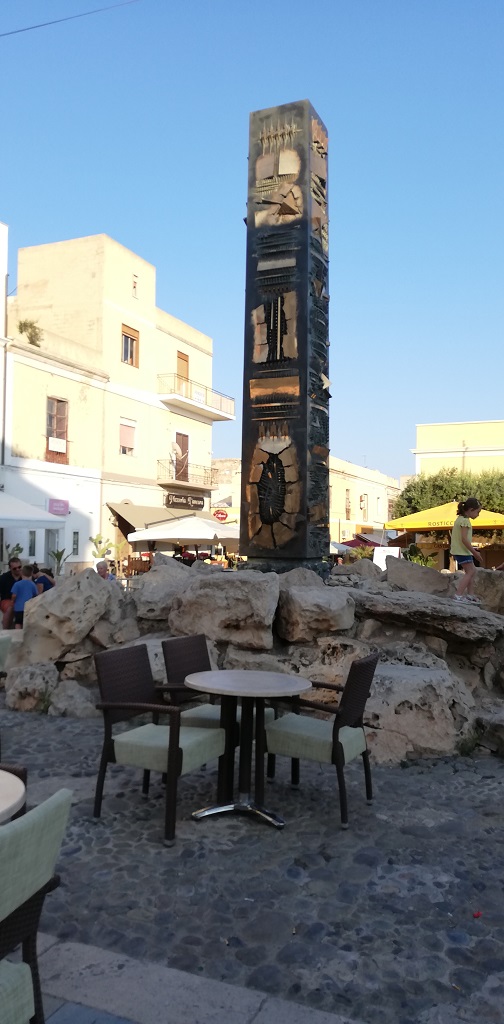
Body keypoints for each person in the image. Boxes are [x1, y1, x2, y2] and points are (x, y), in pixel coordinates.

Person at [450, 497, 483, 602]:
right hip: (462, 551)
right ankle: (458, 595)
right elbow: (464, 539)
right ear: (471, 510)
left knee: (472, 571)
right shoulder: (465, 521)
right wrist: (475, 552)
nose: (478, 515)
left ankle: (470, 594)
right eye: (478, 512)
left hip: (460, 550)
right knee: (470, 571)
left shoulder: (460, 519)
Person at [11, 564, 38, 628]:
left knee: (18, 622)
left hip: (18, 607)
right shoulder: (32, 584)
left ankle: (18, 633)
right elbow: (36, 595)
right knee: (26, 623)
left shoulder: (17, 584)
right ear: (31, 574)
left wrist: (12, 601)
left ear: (22, 573)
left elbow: (14, 595)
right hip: (29, 607)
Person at [0, 556, 23, 629]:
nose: (18, 569)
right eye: (15, 568)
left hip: (22, 600)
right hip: (7, 599)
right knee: (11, 607)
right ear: (10, 568)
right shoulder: (4, 578)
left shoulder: (25, 576)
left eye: (19, 567)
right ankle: (6, 629)